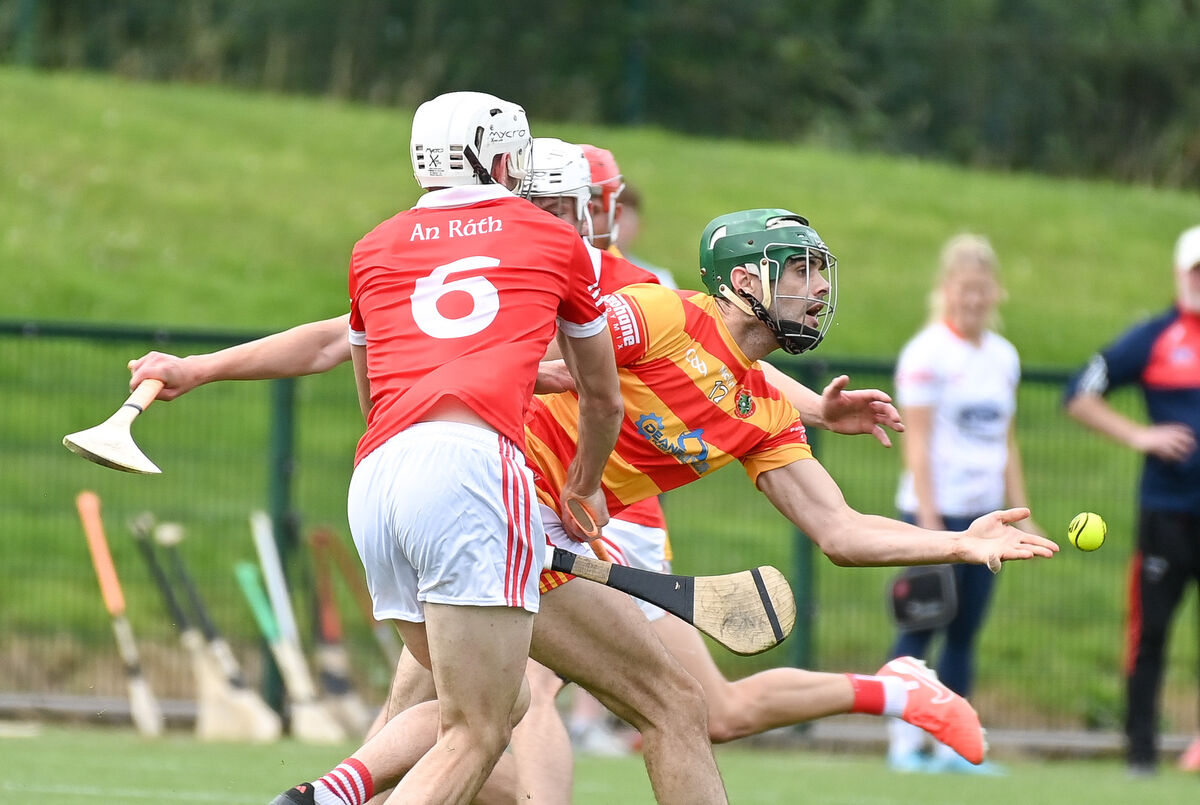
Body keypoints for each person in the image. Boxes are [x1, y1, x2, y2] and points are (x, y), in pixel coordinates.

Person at [131, 208, 1058, 805]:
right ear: (743, 278)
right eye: (799, 269)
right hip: (485, 505)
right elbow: (546, 355)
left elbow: (843, 531)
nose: (819, 287)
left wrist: (960, 539)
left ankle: (323, 796)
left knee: (506, 722)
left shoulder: (765, 409)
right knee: (515, 722)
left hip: (526, 537)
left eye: (821, 272)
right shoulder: (656, 311)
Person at [279, 90, 624, 805]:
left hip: (377, 477)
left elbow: (369, 389)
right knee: (477, 727)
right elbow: (602, 397)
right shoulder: (550, 236)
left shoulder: (374, 243)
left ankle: (331, 794)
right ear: (496, 156)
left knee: (491, 707)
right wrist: (583, 486)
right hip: (468, 468)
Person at [882, 234, 1044, 774]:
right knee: (919, 627)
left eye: (983, 289)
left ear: (996, 292)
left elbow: (1006, 441)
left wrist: (1022, 509)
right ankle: (904, 742)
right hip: (938, 514)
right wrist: (929, 528)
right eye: (964, 289)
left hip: (988, 516)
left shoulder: (1004, 356)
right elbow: (918, 443)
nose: (974, 300)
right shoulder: (926, 353)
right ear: (947, 290)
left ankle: (955, 745)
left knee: (965, 633)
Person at [1064, 224, 1200, 777]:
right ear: (1179, 274)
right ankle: (1140, 752)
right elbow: (1080, 392)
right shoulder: (1153, 338)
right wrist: (1140, 436)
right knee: (1151, 634)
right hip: (1167, 514)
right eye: (1196, 271)